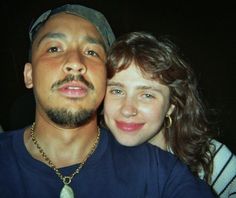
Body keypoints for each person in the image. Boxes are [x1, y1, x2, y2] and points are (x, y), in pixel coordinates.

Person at [0, 4, 215, 198]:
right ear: (29, 75)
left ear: (105, 78)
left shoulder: (161, 173)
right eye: (54, 48)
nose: (75, 63)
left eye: (92, 52)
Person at [103, 31, 236, 197]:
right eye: (117, 90)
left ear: (171, 106)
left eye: (147, 95)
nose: (127, 109)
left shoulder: (211, 158)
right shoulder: (87, 158)